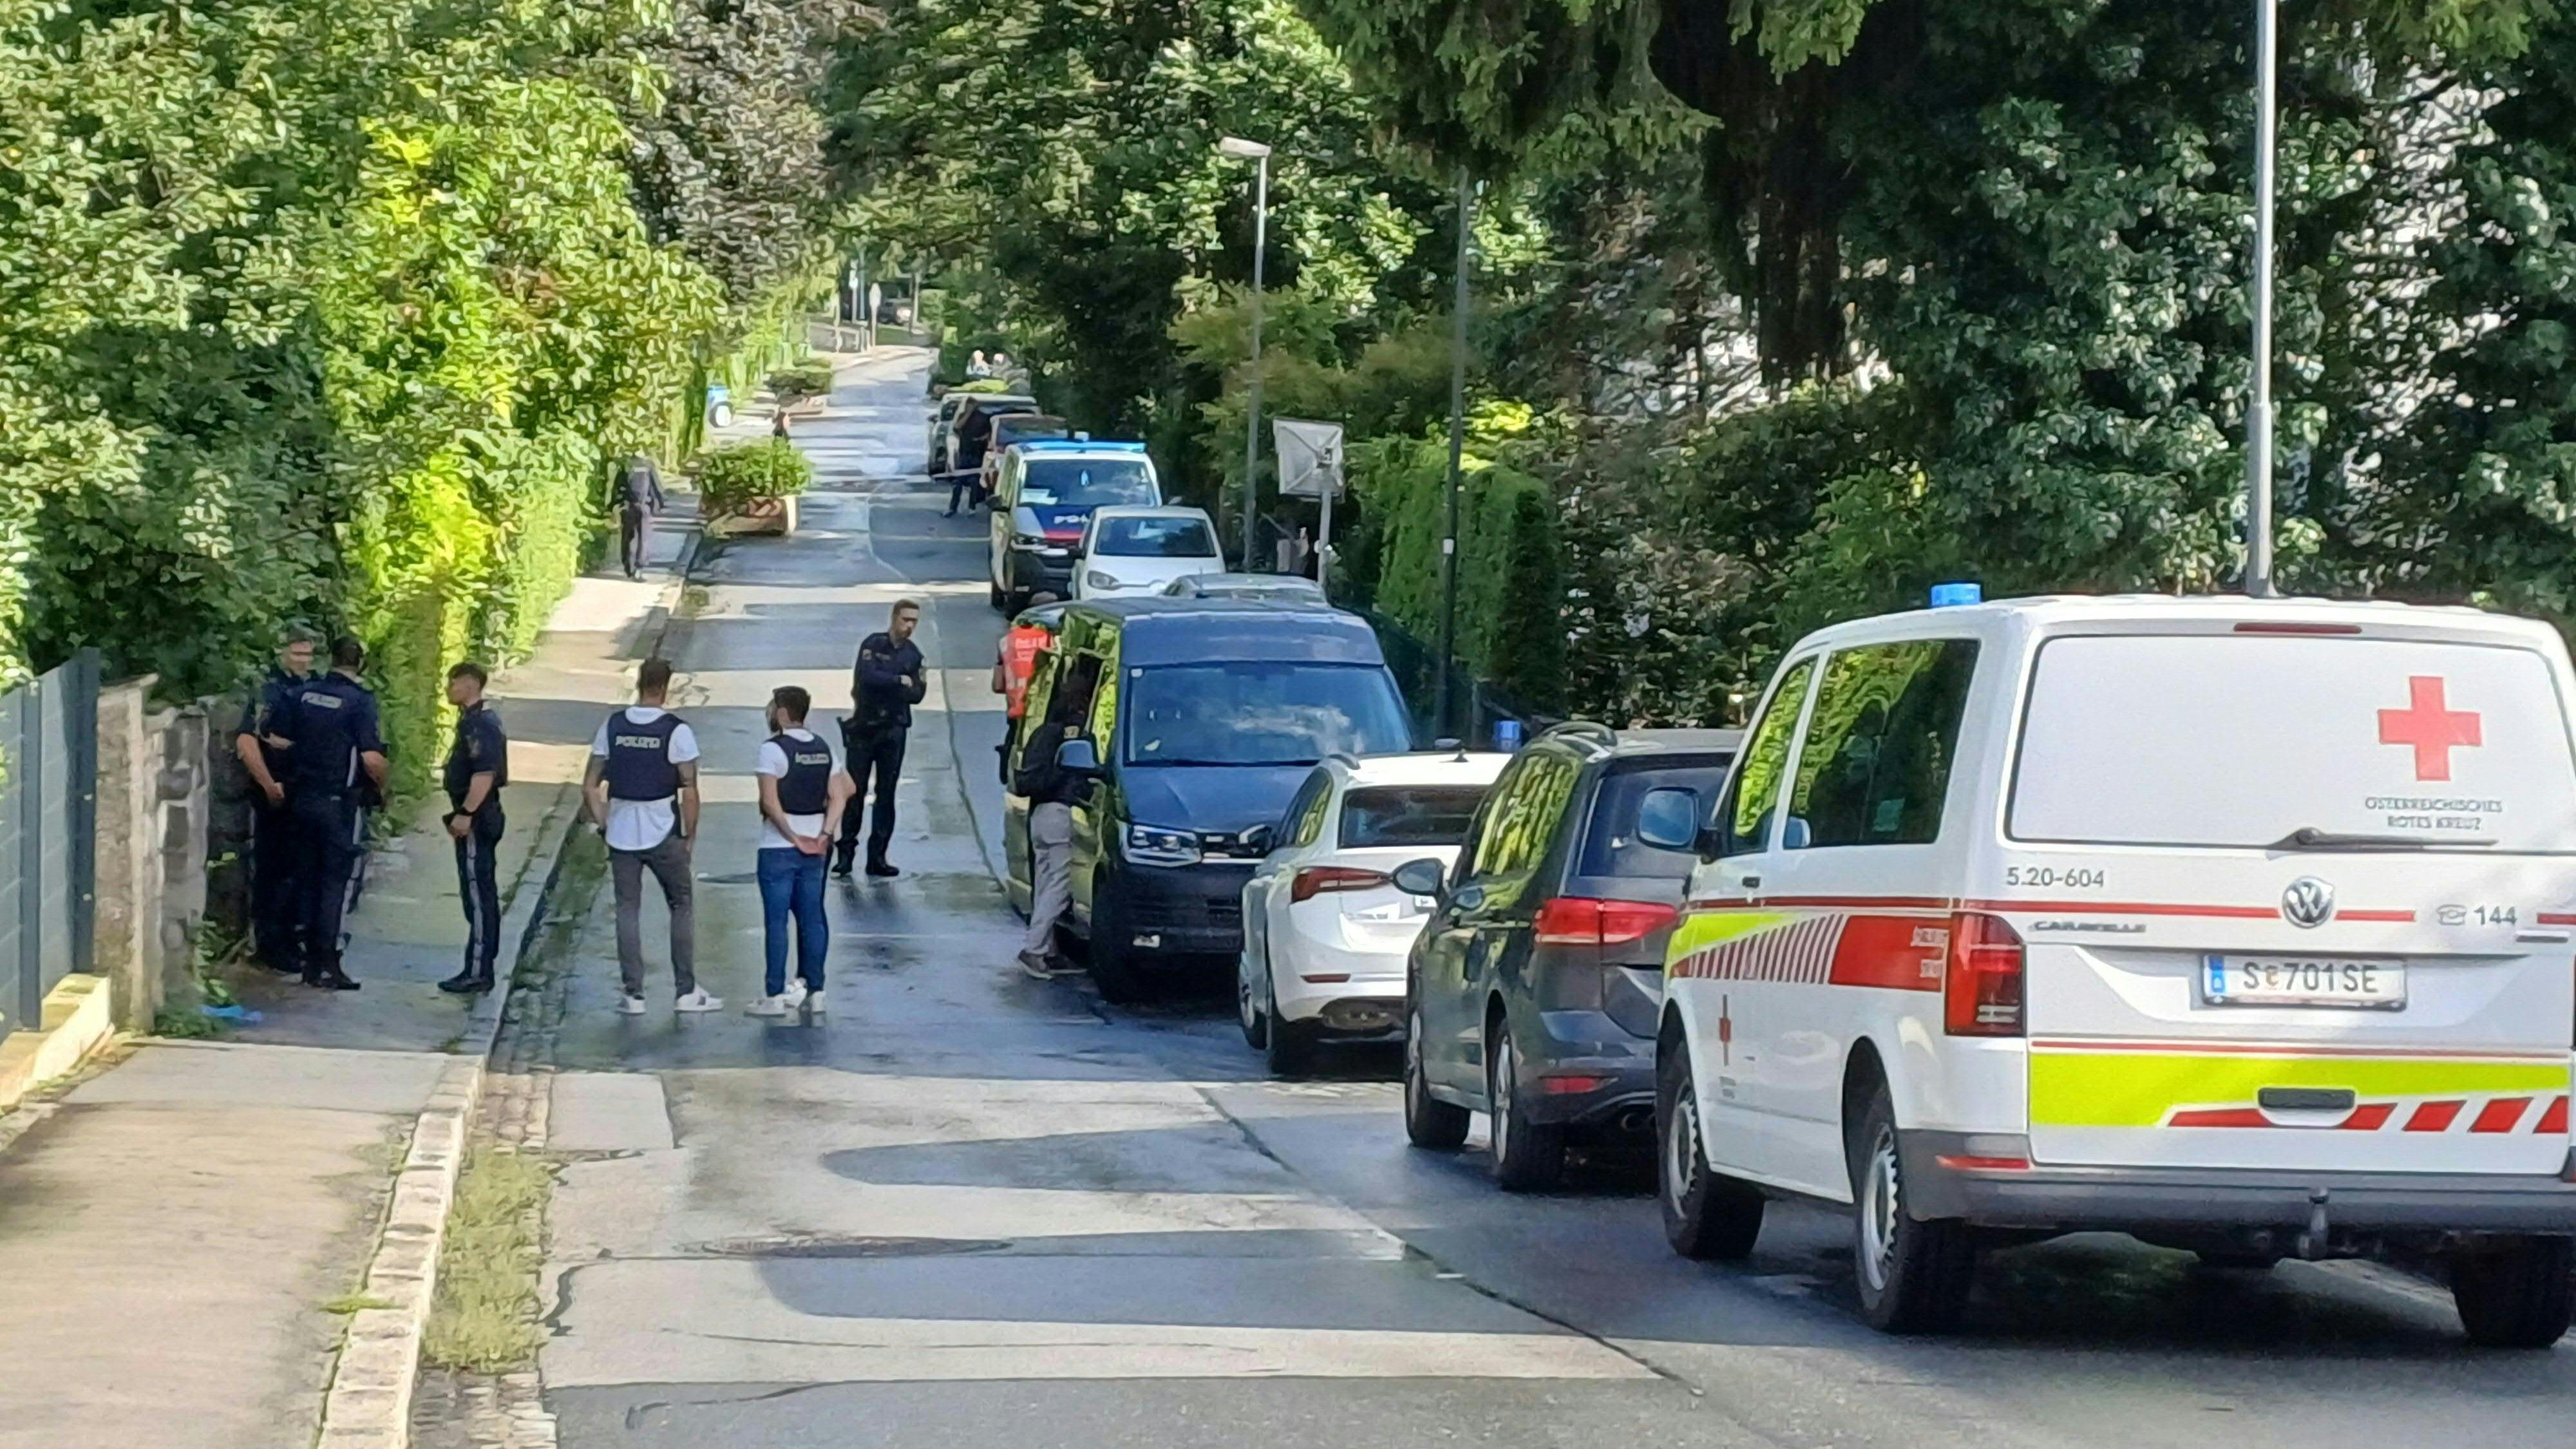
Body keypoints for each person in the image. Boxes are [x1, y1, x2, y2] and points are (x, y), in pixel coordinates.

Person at [585, 658, 720, 1014]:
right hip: (663, 830)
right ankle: (685, 991)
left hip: (621, 832)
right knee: (680, 905)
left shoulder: (612, 726)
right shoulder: (677, 731)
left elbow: (590, 786)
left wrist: (604, 823)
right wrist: (690, 836)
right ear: (665, 687)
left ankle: (634, 995)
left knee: (627, 910)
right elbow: (689, 789)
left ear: (639, 683)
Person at [283, 636, 388, 991]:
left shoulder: (303, 694)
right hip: (338, 803)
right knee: (336, 882)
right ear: (360, 664)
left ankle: (307, 960)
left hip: (301, 799)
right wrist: (382, 788)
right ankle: (329, 960)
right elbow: (371, 758)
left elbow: (279, 739)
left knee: (306, 877)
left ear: (330, 659)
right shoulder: (360, 701)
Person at [750, 687, 852, 1018]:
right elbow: (842, 794)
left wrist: (793, 837)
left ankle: (775, 995)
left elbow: (770, 801)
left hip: (778, 848)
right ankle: (817, 991)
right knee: (813, 918)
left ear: (782, 713)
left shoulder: (772, 749)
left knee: (777, 921)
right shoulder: (824, 748)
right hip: (816, 848)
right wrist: (824, 835)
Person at [234, 628, 316, 974]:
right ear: (282, 653)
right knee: (274, 872)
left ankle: (290, 941)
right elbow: (247, 740)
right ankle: (272, 945)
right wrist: (268, 784)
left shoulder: (309, 688)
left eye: (308, 654)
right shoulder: (268, 690)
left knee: (297, 871)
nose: (303, 661)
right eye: (297, 654)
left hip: (300, 792)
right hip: (275, 794)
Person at [835, 600, 926, 878]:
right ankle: (845, 855)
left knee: (886, 794)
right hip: (864, 728)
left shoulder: (914, 655)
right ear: (894, 618)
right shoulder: (874, 645)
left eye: (914, 621)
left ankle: (877, 858)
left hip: (893, 730)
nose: (909, 626)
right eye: (905, 619)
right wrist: (898, 681)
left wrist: (895, 683)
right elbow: (867, 677)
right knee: (855, 792)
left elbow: (918, 694)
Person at [439, 661, 509, 995]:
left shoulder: (479, 725)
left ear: (468, 684)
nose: (448, 689)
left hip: (478, 819)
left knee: (479, 897)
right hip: (479, 815)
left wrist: (466, 813)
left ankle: (479, 971)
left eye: (452, 682)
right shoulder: (476, 720)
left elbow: (483, 774)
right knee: (478, 894)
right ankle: (477, 967)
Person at [1012, 688, 1091, 979]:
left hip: (1039, 813)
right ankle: (1034, 949)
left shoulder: (1041, 733)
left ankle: (1048, 950)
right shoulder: (1073, 737)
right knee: (1061, 883)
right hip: (1060, 812)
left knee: (1045, 883)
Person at [990, 592, 1058, 784]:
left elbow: (998, 685)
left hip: (1017, 710)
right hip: (1047, 712)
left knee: (1015, 745)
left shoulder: (1007, 640)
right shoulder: (1055, 640)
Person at [614, 453, 665, 580]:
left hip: (629, 507)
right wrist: (659, 504)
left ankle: (628, 567)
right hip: (644, 507)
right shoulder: (648, 466)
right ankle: (639, 568)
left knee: (628, 537)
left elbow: (618, 487)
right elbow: (656, 488)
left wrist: (616, 505)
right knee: (643, 538)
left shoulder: (626, 465)